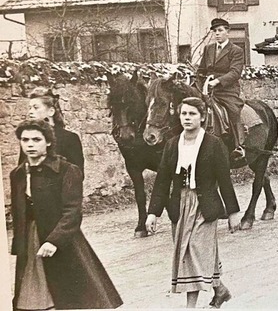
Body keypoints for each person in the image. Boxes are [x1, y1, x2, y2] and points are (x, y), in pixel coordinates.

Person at [11, 120, 122, 310]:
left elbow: (72, 212)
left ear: (48, 142)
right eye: (25, 139)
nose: (30, 144)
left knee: (70, 298)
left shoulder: (66, 170)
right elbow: (18, 213)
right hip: (31, 242)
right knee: (31, 299)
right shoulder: (18, 175)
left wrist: (54, 240)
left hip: (63, 241)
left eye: (36, 139)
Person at [146, 97, 241, 308]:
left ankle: (191, 307)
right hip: (179, 205)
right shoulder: (172, 145)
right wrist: (153, 213)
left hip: (204, 206)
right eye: (184, 114)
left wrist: (233, 212)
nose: (187, 118)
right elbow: (162, 180)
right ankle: (220, 290)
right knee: (193, 252)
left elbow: (225, 180)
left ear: (202, 117)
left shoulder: (214, 144)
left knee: (195, 251)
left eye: (192, 114)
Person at [198, 18, 246, 160]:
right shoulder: (208, 49)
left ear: (227, 32)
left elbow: (235, 72)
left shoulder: (236, 50)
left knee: (233, 110)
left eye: (220, 31)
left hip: (227, 90)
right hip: (208, 89)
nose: (217, 34)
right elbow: (201, 69)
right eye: (214, 31)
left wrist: (218, 81)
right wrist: (198, 80)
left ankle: (239, 146)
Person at [20, 87, 84, 173]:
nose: (30, 112)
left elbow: (77, 174)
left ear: (51, 111)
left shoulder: (69, 138)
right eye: (30, 108)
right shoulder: (28, 138)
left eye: (36, 108)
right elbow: (20, 172)